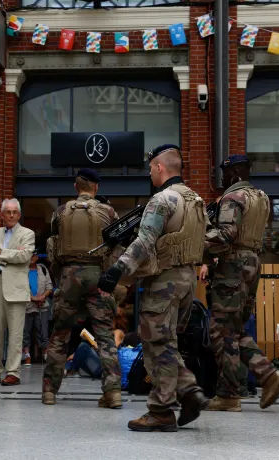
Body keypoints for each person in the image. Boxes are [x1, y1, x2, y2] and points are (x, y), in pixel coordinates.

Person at [98, 145, 209, 432]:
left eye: (150, 168)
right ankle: (187, 391)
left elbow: (145, 241)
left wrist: (117, 270)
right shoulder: (195, 199)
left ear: (160, 168)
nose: (149, 173)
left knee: (155, 342)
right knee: (168, 342)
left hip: (164, 281)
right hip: (188, 280)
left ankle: (161, 410)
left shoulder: (163, 199)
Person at [201, 155, 279, 412]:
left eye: (226, 173)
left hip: (232, 266)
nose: (224, 179)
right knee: (235, 329)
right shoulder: (261, 198)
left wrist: (198, 240)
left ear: (236, 173)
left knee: (220, 331)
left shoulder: (233, 198)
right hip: (252, 263)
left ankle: (228, 395)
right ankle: (267, 374)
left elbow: (226, 235)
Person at [42, 168, 122, 408]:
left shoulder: (60, 212)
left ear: (76, 188)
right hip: (97, 276)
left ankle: (49, 393)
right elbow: (117, 246)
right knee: (105, 336)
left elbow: (53, 246)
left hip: (68, 277)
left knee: (59, 336)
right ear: (95, 188)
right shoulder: (108, 212)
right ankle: (113, 393)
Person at [0, 198, 35, 386]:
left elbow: (24, 256)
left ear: (19, 215)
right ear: (1, 215)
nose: (11, 215)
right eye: (8, 212)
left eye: (15, 212)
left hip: (17, 288)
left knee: (15, 334)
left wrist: (0, 252)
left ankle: (13, 372)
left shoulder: (27, 233)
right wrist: (8, 254)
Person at [22, 250, 53, 365]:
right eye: (29, 255)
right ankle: (27, 356)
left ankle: (45, 355)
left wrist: (42, 297)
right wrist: (33, 298)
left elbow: (49, 287)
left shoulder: (43, 269)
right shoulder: (22, 270)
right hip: (27, 306)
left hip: (42, 306)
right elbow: (19, 289)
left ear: (37, 256)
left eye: (34, 254)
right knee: (26, 332)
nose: (32, 257)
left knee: (43, 331)